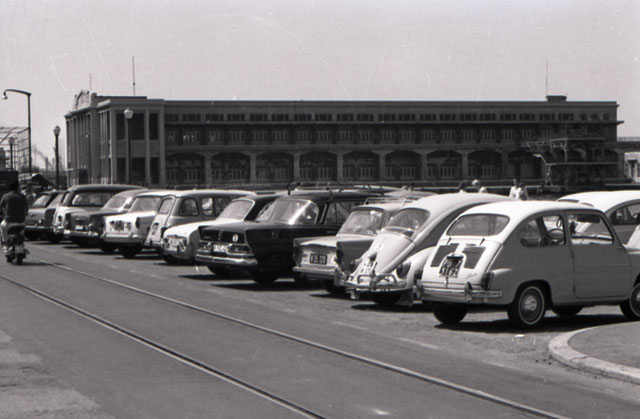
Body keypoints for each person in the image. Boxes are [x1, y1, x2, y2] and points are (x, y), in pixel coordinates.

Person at [0, 180, 29, 250]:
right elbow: (26, 208)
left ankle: (6, 243)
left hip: (9, 221)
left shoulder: (5, 196)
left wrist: (4, 213)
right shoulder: (23, 196)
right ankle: (21, 242)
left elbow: (1, 206)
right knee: (22, 232)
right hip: (21, 221)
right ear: (17, 187)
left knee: (2, 226)